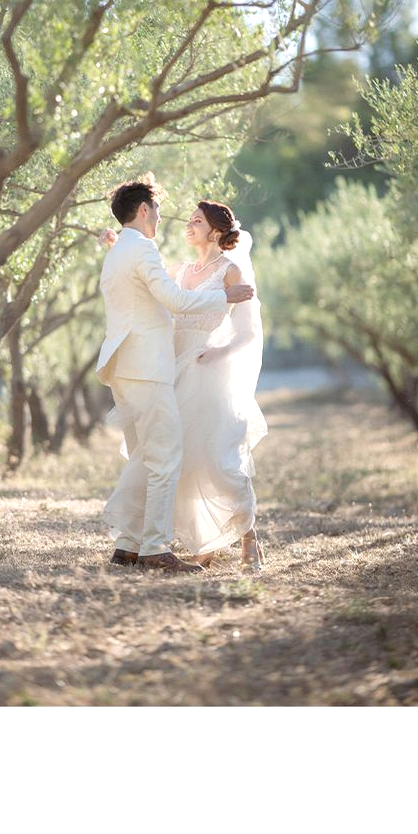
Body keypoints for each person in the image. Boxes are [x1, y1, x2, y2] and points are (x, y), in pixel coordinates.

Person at [96, 174, 254, 572]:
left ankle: (128, 544)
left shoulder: (119, 252)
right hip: (149, 368)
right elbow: (175, 300)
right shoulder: (142, 248)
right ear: (144, 210)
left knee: (146, 456)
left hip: (124, 368)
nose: (165, 219)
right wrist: (225, 295)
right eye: (160, 210)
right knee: (165, 460)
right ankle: (154, 549)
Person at [168, 201, 267, 570]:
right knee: (183, 457)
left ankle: (249, 537)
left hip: (211, 371)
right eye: (189, 220)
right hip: (177, 370)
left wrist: (218, 351)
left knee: (219, 459)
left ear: (214, 231)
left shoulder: (231, 270)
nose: (188, 225)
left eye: (197, 221)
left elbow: (248, 332)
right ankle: (203, 542)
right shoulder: (181, 269)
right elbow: (145, 274)